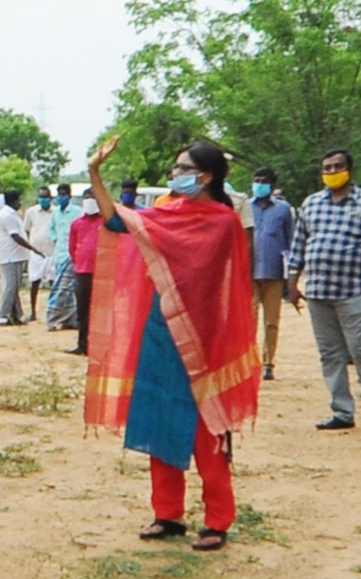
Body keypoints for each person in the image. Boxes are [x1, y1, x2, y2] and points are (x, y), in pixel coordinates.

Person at [84, 137, 259, 552]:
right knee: (158, 417)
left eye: (183, 169)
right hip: (160, 332)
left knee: (206, 430)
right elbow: (115, 223)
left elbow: (213, 280)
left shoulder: (222, 221)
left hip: (203, 336)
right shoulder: (164, 213)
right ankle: (168, 514)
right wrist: (94, 173)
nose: (176, 176)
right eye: (175, 170)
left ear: (207, 175)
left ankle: (218, 519)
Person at [289, 149, 361, 433]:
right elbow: (299, 244)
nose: (333, 171)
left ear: (350, 169)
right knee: (330, 352)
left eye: (338, 166)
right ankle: (341, 410)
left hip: (356, 289)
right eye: (327, 167)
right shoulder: (311, 204)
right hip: (318, 291)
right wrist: (292, 281)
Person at [251, 167, 294, 381]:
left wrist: (291, 274)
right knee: (249, 319)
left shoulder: (284, 210)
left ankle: (268, 362)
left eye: (264, 181)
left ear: (272, 184)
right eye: (256, 180)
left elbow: (290, 241)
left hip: (274, 272)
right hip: (249, 274)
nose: (259, 184)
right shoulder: (245, 208)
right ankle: (248, 362)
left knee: (271, 320)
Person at [0, 189, 45, 326]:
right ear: (14, 201)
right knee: (10, 286)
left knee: (15, 286)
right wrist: (33, 249)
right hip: (10, 255)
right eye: (18, 201)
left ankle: (17, 315)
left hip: (16, 255)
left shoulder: (12, 214)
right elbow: (15, 236)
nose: (20, 203)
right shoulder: (7, 215)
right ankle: (2, 315)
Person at [65, 189, 104, 356]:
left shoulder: (106, 222)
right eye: (87, 198)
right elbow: (72, 247)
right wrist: (79, 262)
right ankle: (82, 344)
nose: (90, 201)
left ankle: (100, 346)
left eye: (93, 198)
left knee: (101, 310)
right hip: (82, 272)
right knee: (82, 310)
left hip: (102, 273)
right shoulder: (77, 224)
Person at [46, 183, 83, 329]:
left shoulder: (77, 212)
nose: (62, 197)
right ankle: (53, 318)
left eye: (64, 194)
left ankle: (69, 319)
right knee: (59, 287)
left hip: (71, 255)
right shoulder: (55, 213)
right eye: (60, 195)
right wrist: (56, 241)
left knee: (69, 289)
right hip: (59, 254)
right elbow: (52, 230)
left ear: (70, 195)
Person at [23, 185, 56, 321]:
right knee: (34, 282)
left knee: (54, 283)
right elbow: (26, 230)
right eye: (41, 197)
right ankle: (33, 311)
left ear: (51, 198)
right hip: (36, 252)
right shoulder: (31, 212)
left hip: (52, 251)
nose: (43, 200)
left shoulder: (56, 212)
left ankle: (53, 311)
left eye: (46, 197)